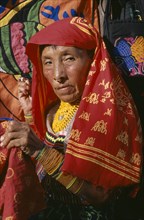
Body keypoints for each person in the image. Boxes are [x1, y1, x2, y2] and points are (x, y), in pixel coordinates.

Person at [0, 17, 143, 220]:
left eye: (69, 59)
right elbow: (44, 165)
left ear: (92, 61)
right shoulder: (54, 111)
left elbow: (99, 196)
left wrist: (42, 152)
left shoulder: (108, 116)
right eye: (48, 62)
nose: (58, 75)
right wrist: (31, 114)